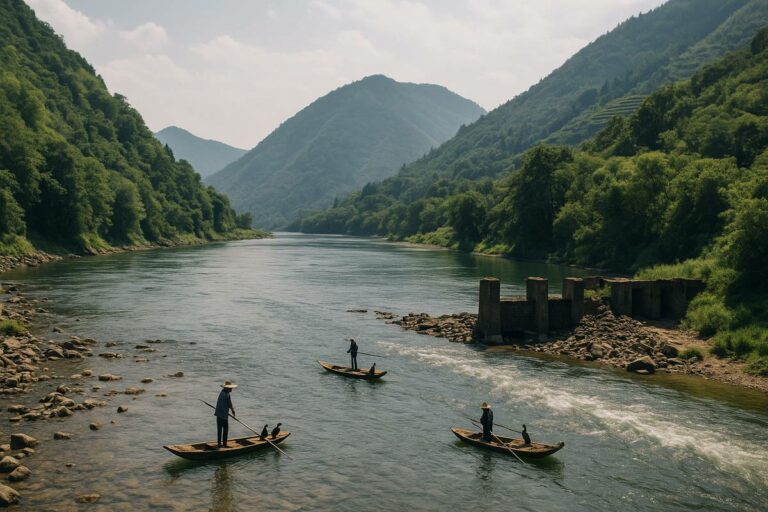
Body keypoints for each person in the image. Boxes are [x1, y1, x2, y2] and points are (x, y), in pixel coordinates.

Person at [215, 380, 237, 448]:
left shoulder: (227, 393)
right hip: (222, 415)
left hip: (222, 414)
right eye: (230, 388)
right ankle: (222, 444)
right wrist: (227, 413)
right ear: (227, 388)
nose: (231, 389)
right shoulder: (223, 395)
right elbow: (224, 405)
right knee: (223, 430)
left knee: (222, 430)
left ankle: (222, 444)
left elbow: (229, 403)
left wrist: (232, 410)